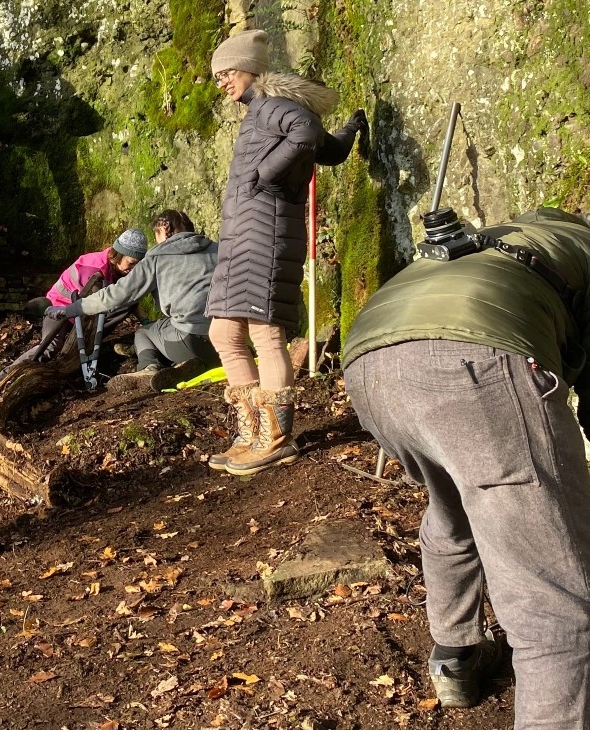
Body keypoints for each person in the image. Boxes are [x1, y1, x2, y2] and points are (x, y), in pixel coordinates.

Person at [342, 208, 590, 726]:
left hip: (369, 362)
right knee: (554, 608)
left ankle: (455, 654)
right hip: (478, 360)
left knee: (453, 506)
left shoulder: (525, 234)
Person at [204, 29, 368, 475]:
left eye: (227, 72)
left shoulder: (272, 105)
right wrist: (352, 130)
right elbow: (329, 149)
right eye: (217, 76)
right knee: (224, 333)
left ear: (250, 69)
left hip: (266, 237)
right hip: (244, 239)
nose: (221, 82)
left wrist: (266, 176)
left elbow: (307, 131)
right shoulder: (259, 111)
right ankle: (251, 430)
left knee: (265, 334)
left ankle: (276, 438)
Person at [48, 211, 221, 393]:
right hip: (230, 338)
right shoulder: (218, 249)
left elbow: (114, 296)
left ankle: (149, 368)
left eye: (156, 235)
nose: (157, 242)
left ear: (163, 230)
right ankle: (190, 363)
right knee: (164, 326)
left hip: (192, 339)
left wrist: (72, 309)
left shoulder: (158, 257)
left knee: (144, 333)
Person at [6, 228, 148, 371]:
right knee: (50, 347)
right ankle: (6, 375)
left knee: (126, 302)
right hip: (59, 307)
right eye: (131, 263)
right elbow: (98, 303)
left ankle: (88, 342)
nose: (134, 268)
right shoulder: (94, 270)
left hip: (83, 310)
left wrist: (146, 322)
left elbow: (130, 298)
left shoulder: (119, 269)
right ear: (118, 255)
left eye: (138, 264)